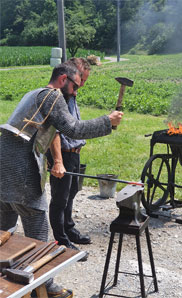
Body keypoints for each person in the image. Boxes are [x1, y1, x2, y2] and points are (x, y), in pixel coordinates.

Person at [0, 61, 123, 298]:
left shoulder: (34, 94)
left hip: (3, 167)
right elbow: (73, 129)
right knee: (37, 229)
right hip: (21, 170)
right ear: (63, 79)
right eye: (75, 86)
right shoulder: (52, 96)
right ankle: (44, 286)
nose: (75, 92)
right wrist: (107, 121)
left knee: (4, 230)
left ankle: (8, 282)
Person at [47, 58, 92, 252]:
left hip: (74, 152)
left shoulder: (71, 94)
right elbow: (53, 131)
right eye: (81, 79)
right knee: (60, 198)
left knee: (71, 193)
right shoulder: (59, 96)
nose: (82, 84)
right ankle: (61, 241)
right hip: (62, 154)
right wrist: (57, 160)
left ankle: (69, 228)